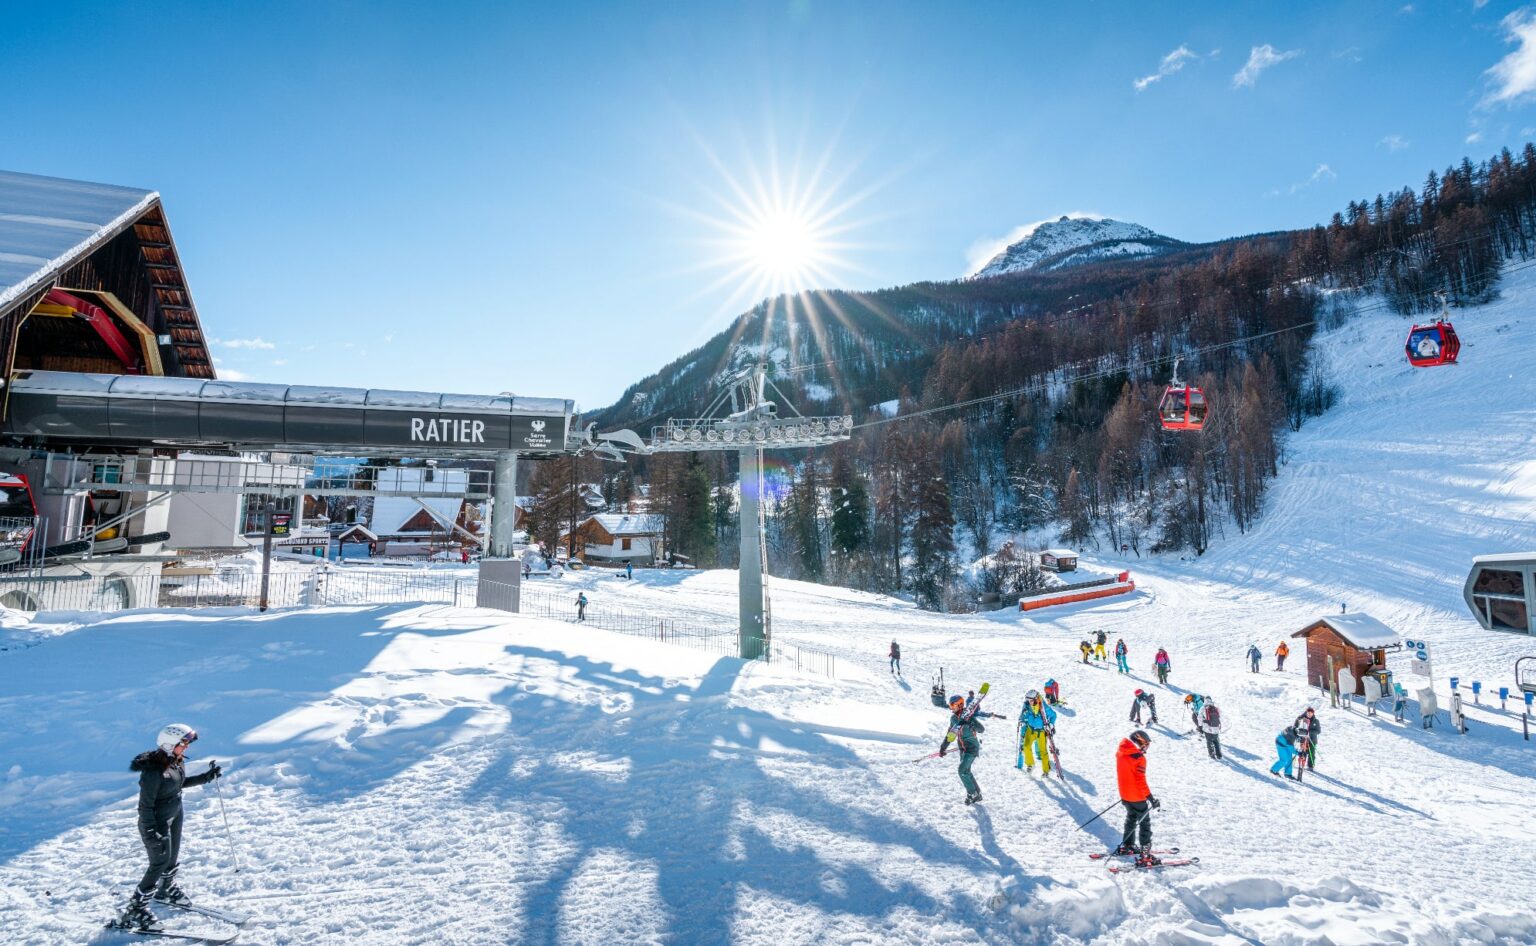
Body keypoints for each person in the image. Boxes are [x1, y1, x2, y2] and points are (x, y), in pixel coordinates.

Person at [114, 724, 223, 932]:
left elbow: (178, 784)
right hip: (156, 823)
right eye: (183, 743)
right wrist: (150, 831)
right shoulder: (153, 771)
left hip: (174, 814)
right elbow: (144, 806)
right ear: (169, 744)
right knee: (158, 862)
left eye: (187, 743)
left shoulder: (175, 762)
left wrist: (206, 777)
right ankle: (135, 908)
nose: (186, 747)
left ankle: (165, 888)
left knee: (172, 857)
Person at [1114, 730, 1160, 865]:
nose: (1146, 748)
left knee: (1131, 818)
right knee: (1144, 823)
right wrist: (1151, 798)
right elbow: (1140, 781)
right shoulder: (1139, 758)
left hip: (1125, 794)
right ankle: (1145, 854)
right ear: (1140, 742)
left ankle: (1128, 845)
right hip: (1137, 796)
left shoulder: (1121, 752)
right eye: (1146, 745)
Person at [939, 694, 988, 805]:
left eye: (953, 705)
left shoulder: (969, 717)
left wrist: (970, 723)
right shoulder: (953, 719)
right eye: (950, 705)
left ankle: (972, 794)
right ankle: (977, 794)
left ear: (959, 705)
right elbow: (950, 735)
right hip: (963, 749)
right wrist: (943, 748)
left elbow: (981, 729)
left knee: (962, 771)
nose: (951, 707)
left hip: (972, 748)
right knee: (966, 771)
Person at [1016, 689, 1058, 775]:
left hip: (1041, 731)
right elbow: (1024, 714)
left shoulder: (1044, 707)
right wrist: (1022, 720)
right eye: (1028, 700)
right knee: (1026, 746)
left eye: (1030, 700)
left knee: (1043, 751)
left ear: (1035, 699)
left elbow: (1054, 715)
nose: (1029, 702)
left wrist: (1051, 724)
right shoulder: (1028, 705)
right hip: (1030, 729)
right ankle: (1030, 764)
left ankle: (1046, 771)